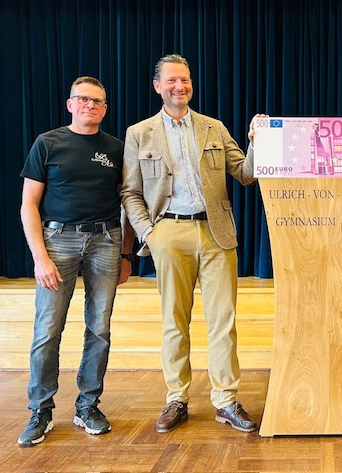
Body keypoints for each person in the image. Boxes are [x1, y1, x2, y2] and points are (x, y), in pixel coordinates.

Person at [121, 54, 260, 434]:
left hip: (216, 233)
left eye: (184, 80)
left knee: (223, 322)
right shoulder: (140, 133)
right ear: (157, 86)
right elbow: (130, 191)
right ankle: (176, 398)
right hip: (168, 232)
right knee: (174, 321)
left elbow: (245, 174)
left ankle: (226, 400)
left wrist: (257, 143)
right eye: (171, 81)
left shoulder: (214, 128)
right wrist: (149, 232)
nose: (179, 86)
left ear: (191, 85)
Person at [18, 76, 135, 446]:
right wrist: (40, 257)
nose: (90, 105)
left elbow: (128, 203)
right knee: (47, 330)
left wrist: (126, 253)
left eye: (97, 101)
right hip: (58, 242)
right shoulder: (48, 143)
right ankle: (40, 409)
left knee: (99, 329)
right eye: (83, 99)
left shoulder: (116, 148)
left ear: (105, 109)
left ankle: (87, 406)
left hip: (106, 241)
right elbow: (28, 204)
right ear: (70, 104)